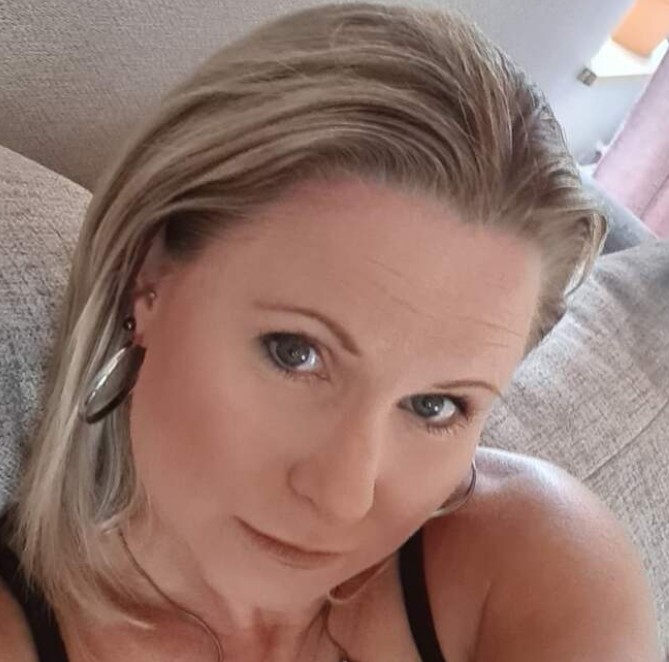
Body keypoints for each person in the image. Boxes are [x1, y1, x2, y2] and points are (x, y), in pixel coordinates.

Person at [0, 3, 660, 661]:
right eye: (295, 353)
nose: (343, 498)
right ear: (147, 278)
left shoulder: (527, 563)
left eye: (434, 406)